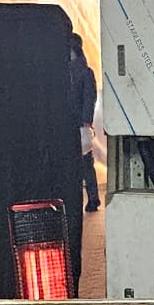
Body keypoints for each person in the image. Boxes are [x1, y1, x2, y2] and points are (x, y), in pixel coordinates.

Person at [70, 36, 100, 213]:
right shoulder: (83, 71)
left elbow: (90, 98)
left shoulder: (82, 72)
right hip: (78, 123)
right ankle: (92, 198)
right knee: (85, 164)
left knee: (84, 164)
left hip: (79, 124)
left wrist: (86, 121)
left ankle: (92, 198)